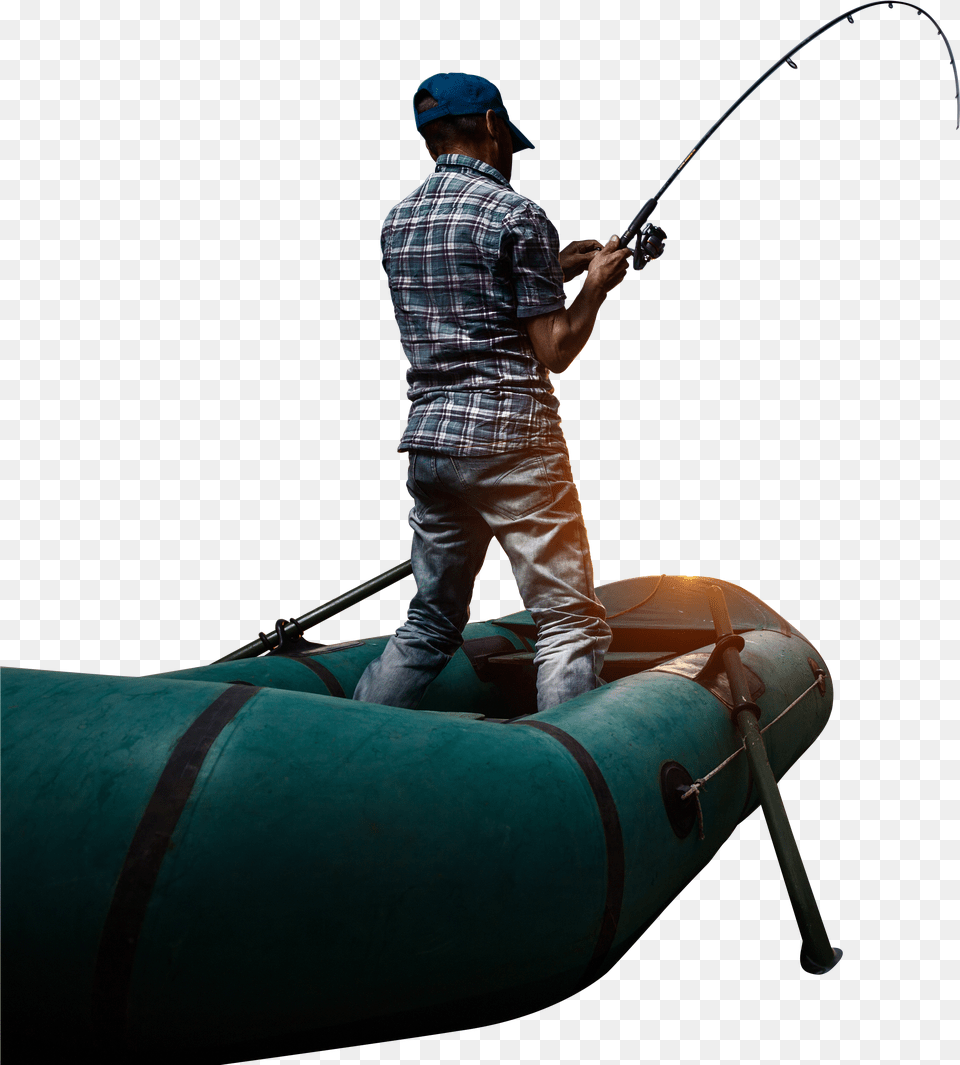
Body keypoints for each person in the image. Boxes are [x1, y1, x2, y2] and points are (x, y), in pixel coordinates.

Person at [352, 72, 632, 714]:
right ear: (489, 126)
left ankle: (347, 737)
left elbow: (463, 297)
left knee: (430, 626)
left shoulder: (399, 224)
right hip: (514, 448)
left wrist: (550, 266)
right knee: (569, 623)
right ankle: (564, 781)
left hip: (432, 446)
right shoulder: (517, 215)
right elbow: (554, 349)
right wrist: (596, 287)